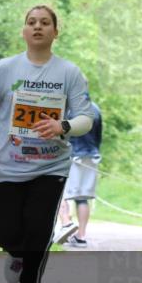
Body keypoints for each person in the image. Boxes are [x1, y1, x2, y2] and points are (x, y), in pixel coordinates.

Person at [0, 5, 95, 283]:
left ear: (55, 32)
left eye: (45, 22)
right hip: (9, 164)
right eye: (31, 22)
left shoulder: (69, 73)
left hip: (51, 166)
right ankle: (16, 254)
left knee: (39, 230)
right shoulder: (3, 70)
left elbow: (86, 118)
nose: (38, 26)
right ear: (24, 31)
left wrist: (62, 126)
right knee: (5, 232)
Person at [55, 92, 102, 247]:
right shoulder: (95, 109)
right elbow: (98, 136)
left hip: (72, 157)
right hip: (92, 157)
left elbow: (62, 135)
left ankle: (66, 224)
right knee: (82, 198)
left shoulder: (69, 109)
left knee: (60, 193)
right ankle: (81, 236)